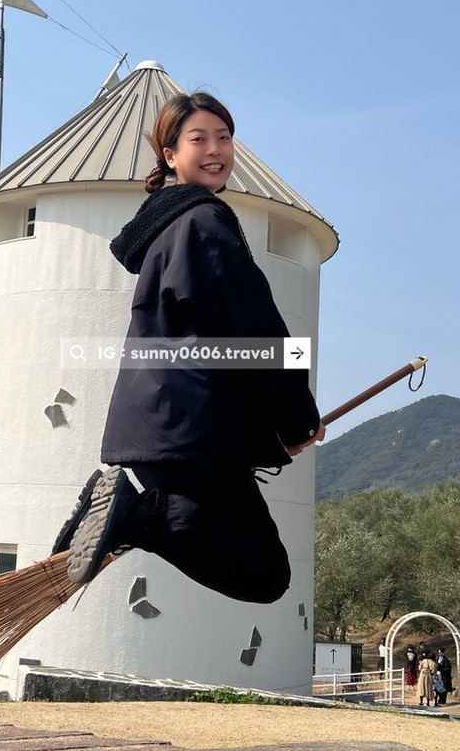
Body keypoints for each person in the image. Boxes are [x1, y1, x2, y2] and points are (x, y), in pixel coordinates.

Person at [54, 92, 324, 600]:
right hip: (190, 438)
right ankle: (137, 518)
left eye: (224, 137)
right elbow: (253, 331)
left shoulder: (166, 228)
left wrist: (273, 433)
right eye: (198, 139)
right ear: (171, 155)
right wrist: (299, 421)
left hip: (157, 431)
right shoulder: (204, 221)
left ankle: (137, 516)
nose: (215, 148)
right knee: (265, 576)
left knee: (257, 568)